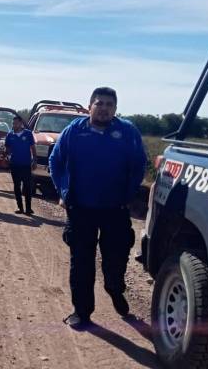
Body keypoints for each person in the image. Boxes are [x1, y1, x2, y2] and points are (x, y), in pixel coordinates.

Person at [49, 87, 146, 330]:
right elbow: (55, 161)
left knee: (116, 258)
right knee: (81, 262)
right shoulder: (74, 130)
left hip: (115, 209)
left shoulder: (127, 132)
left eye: (109, 105)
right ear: (89, 105)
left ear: (115, 109)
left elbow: (138, 164)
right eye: (99, 103)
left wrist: (129, 194)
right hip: (81, 208)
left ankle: (114, 289)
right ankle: (82, 312)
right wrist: (63, 191)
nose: (104, 108)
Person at [5, 116, 36, 215]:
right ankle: (20, 207)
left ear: (21, 123)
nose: (14, 125)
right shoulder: (10, 135)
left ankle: (28, 208)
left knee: (27, 186)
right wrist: (6, 156)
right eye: (13, 123)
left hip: (26, 164)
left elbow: (33, 148)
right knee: (17, 186)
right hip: (14, 164)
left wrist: (34, 160)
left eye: (16, 123)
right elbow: (8, 149)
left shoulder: (28, 134)